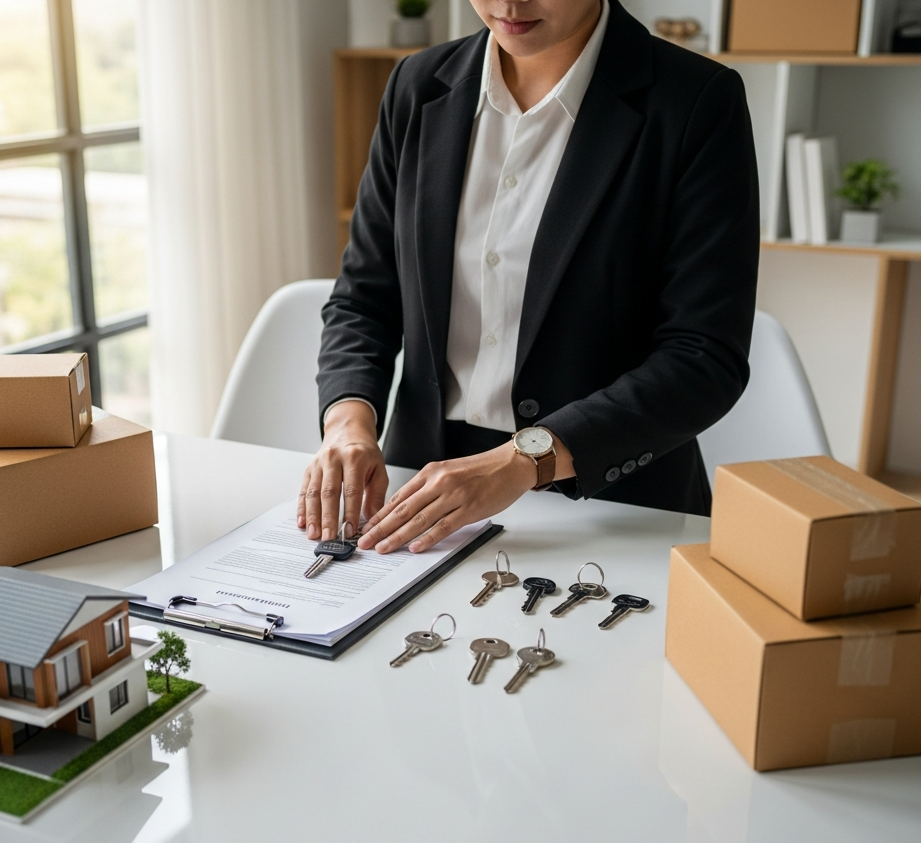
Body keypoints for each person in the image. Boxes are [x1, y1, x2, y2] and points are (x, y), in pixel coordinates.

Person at [298, 0, 758, 555]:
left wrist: (523, 461)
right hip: (419, 489)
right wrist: (348, 422)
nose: (509, 5)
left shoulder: (696, 100)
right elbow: (363, 297)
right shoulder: (416, 86)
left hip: (611, 505)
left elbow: (705, 357)